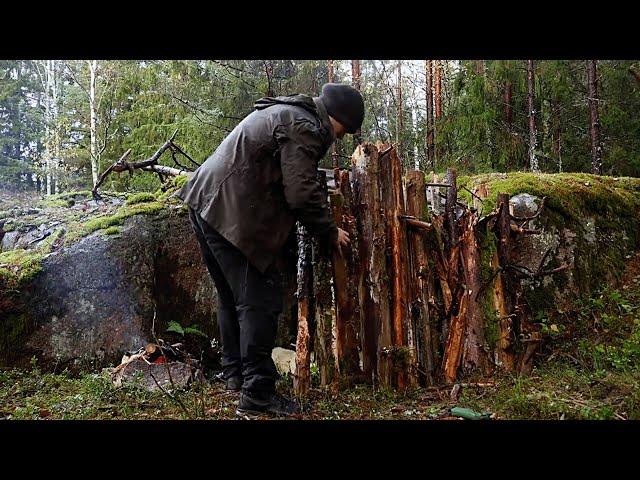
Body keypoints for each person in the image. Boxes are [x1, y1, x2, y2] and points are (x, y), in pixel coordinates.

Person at [177, 83, 364, 418]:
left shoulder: (288, 113)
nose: (339, 138)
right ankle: (257, 396)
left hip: (206, 201)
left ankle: (234, 373)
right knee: (259, 301)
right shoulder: (305, 126)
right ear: (338, 119)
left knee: (230, 296)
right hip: (228, 213)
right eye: (344, 130)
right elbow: (300, 192)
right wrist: (330, 231)